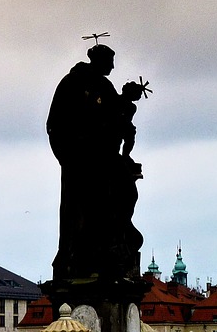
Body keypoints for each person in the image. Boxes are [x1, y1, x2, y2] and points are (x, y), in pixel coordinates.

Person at [47, 43, 144, 281]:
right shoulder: (73, 83)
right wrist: (69, 154)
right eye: (110, 61)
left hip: (104, 159)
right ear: (98, 60)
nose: (112, 66)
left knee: (123, 195)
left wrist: (126, 100)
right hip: (80, 160)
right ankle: (80, 258)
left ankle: (115, 247)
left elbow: (114, 115)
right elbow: (56, 124)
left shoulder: (105, 86)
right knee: (81, 210)